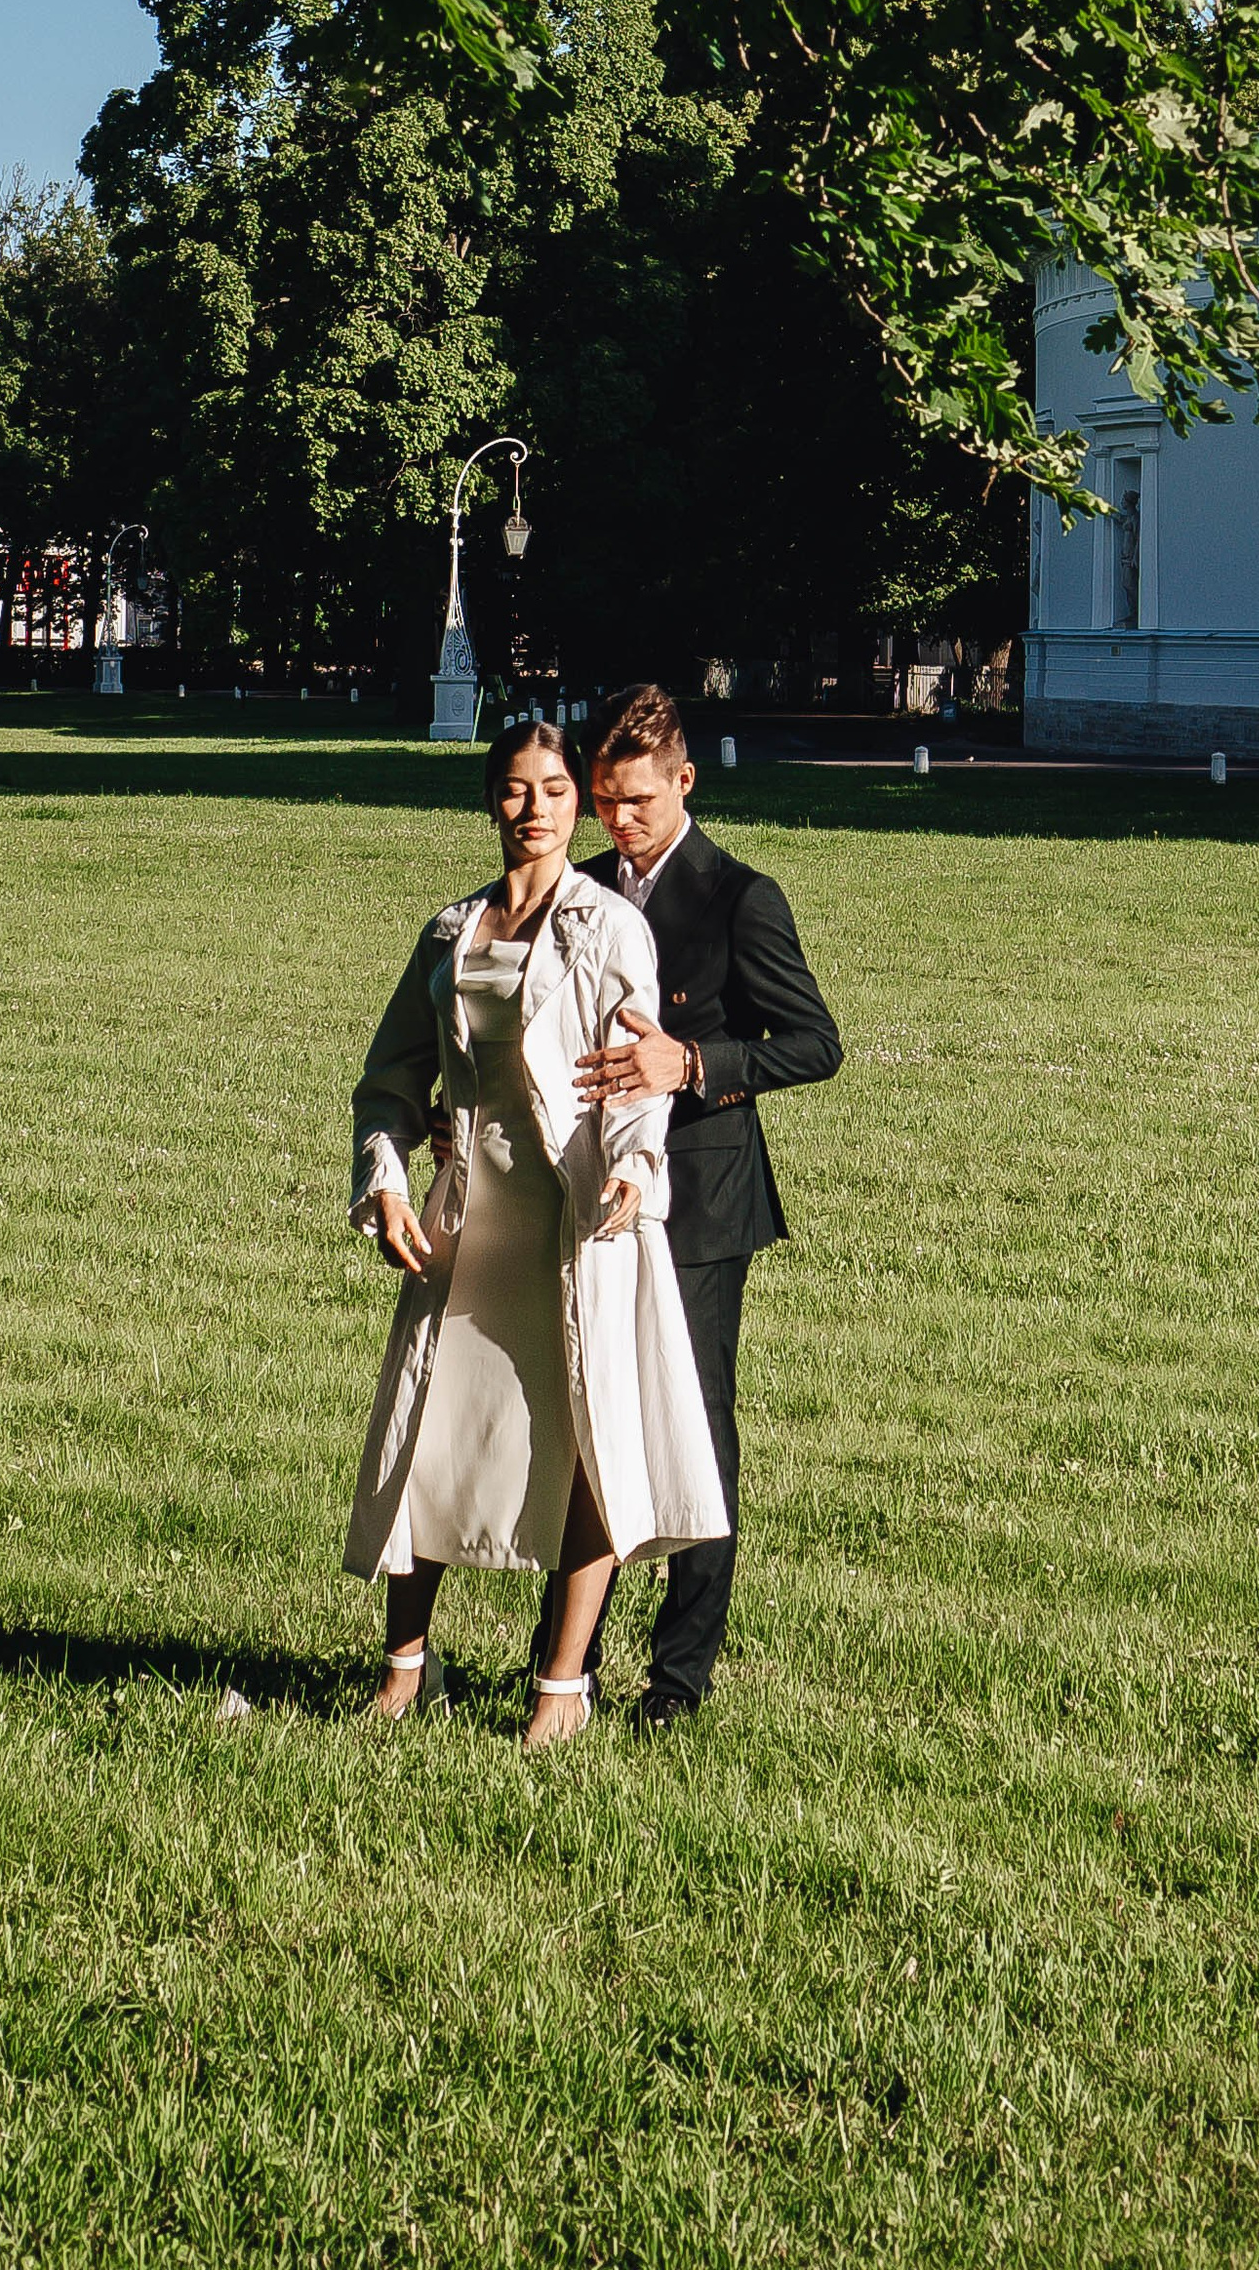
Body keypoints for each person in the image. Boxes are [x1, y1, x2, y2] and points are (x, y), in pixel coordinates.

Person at [343, 716, 727, 1748]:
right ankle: (403, 1669)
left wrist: (636, 1173)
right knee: (422, 1439)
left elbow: (632, 1072)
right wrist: (383, 1184)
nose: (535, 809)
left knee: (586, 1442)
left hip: (580, 1220)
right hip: (467, 1219)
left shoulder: (608, 927)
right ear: (489, 800)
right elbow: (387, 1084)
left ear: (579, 802)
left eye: (554, 790)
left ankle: (563, 1685)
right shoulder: (447, 930)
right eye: (515, 790)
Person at [550, 681, 843, 1729]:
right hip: (589, 1191)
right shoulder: (575, 892)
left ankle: (678, 1680)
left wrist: (695, 1063)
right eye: (603, 802)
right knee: (588, 1422)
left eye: (637, 801)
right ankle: (563, 1665)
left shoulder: (738, 895)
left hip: (705, 1203)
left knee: (693, 1431)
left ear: (685, 780)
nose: (618, 824)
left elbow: (816, 1044)